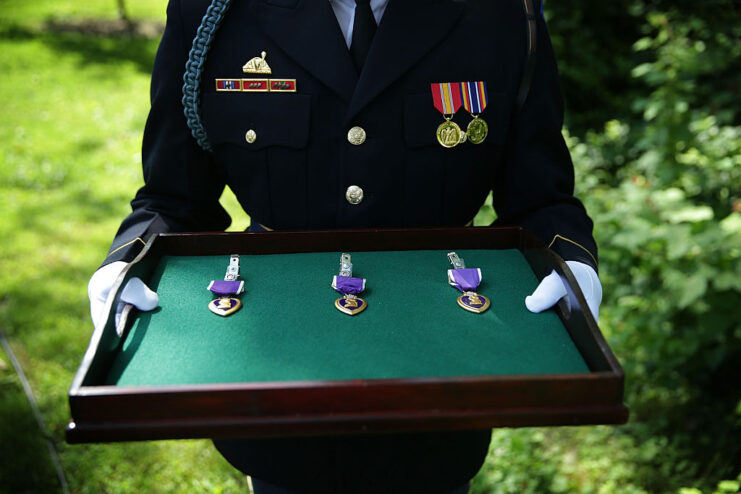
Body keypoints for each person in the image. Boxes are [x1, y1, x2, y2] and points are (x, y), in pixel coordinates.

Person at [88, 0, 602, 492]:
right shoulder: (212, 12)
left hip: (440, 383)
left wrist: (572, 259)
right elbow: (175, 198)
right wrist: (128, 260)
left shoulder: (505, 14)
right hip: (275, 381)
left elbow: (539, 195)